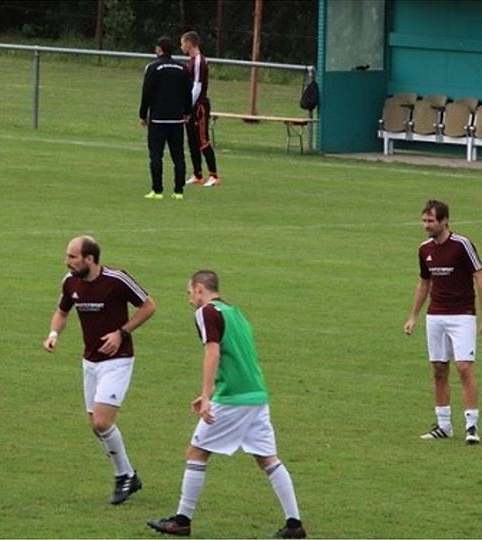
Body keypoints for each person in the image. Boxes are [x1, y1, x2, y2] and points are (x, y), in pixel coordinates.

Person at [147, 270, 306, 539]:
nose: (189, 300)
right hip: (256, 394)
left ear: (199, 289)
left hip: (233, 399)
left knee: (196, 452)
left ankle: (182, 520)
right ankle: (295, 524)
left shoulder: (207, 312)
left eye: (189, 293)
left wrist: (207, 395)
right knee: (267, 459)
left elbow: (213, 351)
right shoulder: (236, 312)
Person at [43, 236, 156, 504]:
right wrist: (53, 334)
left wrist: (121, 332)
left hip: (118, 360)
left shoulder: (117, 280)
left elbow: (149, 306)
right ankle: (127, 475)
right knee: (98, 427)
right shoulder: (70, 281)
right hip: (89, 362)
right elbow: (62, 311)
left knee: (101, 422)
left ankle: (124, 477)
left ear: (90, 259)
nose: (67, 261)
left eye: (72, 256)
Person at [403, 200, 482, 444]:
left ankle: (471, 425)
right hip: (436, 316)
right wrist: (413, 316)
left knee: (464, 368)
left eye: (430, 221)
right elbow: (424, 283)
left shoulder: (462, 245)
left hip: (462, 315)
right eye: (424, 221)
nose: (426, 226)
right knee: (439, 369)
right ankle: (443, 425)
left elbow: (481, 278)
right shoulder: (424, 249)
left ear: (444, 221)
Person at [139, 36, 191, 200]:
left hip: (158, 119)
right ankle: (178, 191)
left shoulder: (153, 68)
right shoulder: (182, 68)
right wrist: (187, 112)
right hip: (176, 119)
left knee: (156, 155)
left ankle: (157, 190)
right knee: (178, 156)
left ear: (159, 49)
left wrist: (143, 114)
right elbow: (187, 93)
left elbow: (146, 92)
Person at [180, 31, 220, 188]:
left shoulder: (198, 61)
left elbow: (197, 87)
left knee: (202, 139)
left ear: (189, 43)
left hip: (199, 107)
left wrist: (187, 106)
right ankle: (197, 174)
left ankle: (214, 175)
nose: (181, 46)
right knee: (191, 140)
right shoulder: (191, 61)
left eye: (183, 43)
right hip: (192, 107)